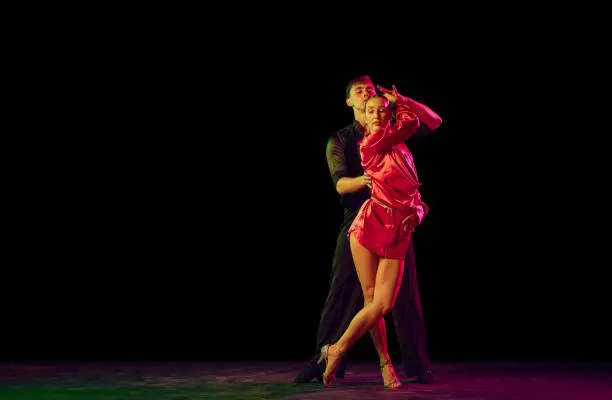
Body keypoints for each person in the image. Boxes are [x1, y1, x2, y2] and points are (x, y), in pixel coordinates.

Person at [294, 75, 442, 385]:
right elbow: (340, 184)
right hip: (364, 218)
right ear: (352, 102)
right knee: (351, 293)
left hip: (397, 222)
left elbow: (430, 124)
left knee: (397, 298)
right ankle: (328, 356)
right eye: (361, 93)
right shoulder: (353, 140)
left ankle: (410, 363)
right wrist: (364, 182)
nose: (368, 96)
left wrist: (417, 210)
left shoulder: (396, 139)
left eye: (374, 96)